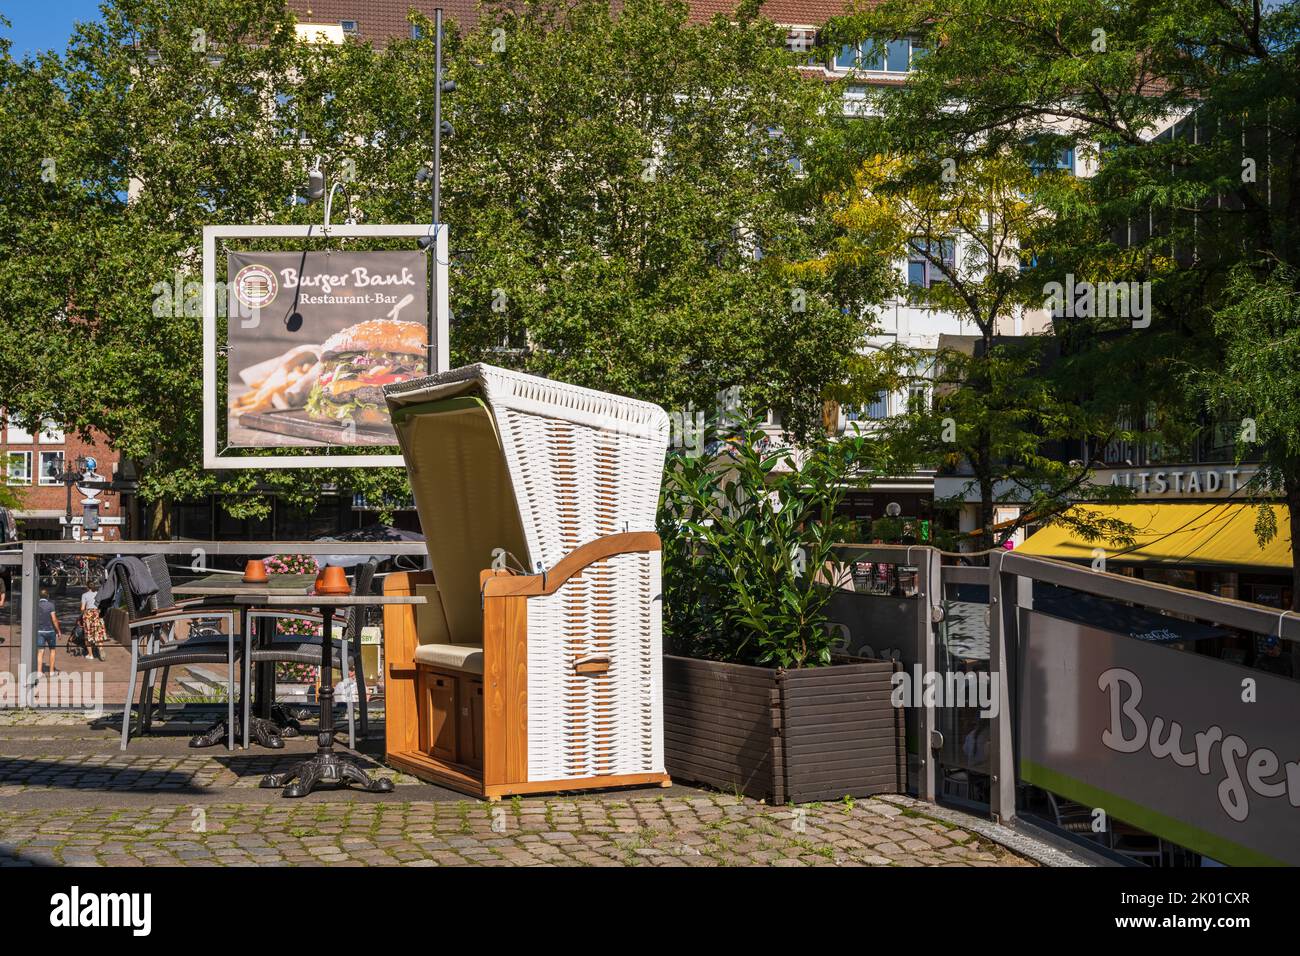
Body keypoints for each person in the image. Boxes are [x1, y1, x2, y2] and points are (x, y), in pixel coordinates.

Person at [35, 585, 62, 678]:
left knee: (40, 651)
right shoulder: (51, 605)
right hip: (50, 631)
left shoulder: (36, 605)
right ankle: (51, 671)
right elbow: (54, 619)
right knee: (52, 651)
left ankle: (39, 672)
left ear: (39, 596)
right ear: (48, 596)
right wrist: (58, 631)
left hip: (39, 631)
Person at [79, 585, 106, 661]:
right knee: (99, 632)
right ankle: (100, 648)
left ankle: (90, 655)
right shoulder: (98, 594)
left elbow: (82, 608)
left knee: (88, 634)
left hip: (88, 615)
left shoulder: (84, 595)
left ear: (87, 587)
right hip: (97, 613)